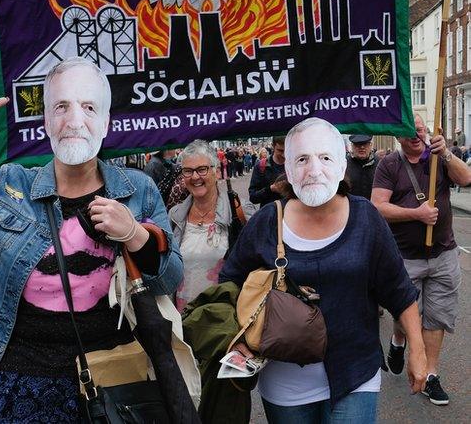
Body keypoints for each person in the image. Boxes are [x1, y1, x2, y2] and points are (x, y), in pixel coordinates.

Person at [0, 58, 182, 422]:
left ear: (106, 122)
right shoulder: (4, 185)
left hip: (115, 383)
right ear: (45, 120)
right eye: (61, 106)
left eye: (89, 107)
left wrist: (134, 234)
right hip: (16, 388)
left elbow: (171, 279)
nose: (74, 120)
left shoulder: (136, 190)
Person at [220, 117, 426, 423]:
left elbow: (398, 289)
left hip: (355, 374)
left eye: (325, 157)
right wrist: (237, 339)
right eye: (302, 159)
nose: (314, 170)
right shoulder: (266, 222)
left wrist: (418, 350)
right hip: (285, 384)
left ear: (341, 165)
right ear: (288, 168)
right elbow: (230, 283)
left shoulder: (365, 218)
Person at [371, 114, 471, 406]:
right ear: (398, 136)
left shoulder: (439, 158)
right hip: (404, 257)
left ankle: (431, 376)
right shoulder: (389, 164)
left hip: (443, 253)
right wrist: (416, 214)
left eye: (420, 129)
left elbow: (466, 178)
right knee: (407, 314)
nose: (415, 134)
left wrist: (447, 153)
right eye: (407, 131)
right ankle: (398, 340)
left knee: (436, 315)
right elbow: (378, 207)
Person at [169, 140, 256, 311]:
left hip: (225, 321)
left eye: (202, 169)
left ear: (216, 171)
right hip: (183, 320)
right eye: (188, 171)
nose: (195, 177)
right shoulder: (175, 215)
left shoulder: (239, 210)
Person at [248, 136, 286, 207]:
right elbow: (253, 197)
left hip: (291, 214)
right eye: (280, 150)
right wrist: (270, 189)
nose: (284, 155)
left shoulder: (294, 166)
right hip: (268, 214)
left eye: (287, 150)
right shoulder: (261, 166)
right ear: (273, 146)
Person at [345, 134, 378, 200]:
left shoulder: (379, 164)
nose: (362, 147)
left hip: (373, 208)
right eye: (358, 144)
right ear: (352, 146)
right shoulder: (344, 165)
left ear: (370, 145)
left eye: (365, 144)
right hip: (349, 207)